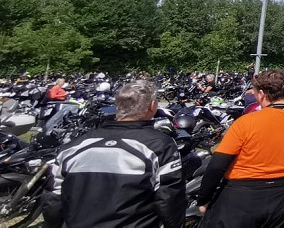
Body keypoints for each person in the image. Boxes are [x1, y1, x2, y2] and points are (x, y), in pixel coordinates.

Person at [42, 80, 185, 228]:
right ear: (152, 106)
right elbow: (169, 198)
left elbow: (53, 199)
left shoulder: (73, 146)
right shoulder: (160, 144)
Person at [197, 70, 284, 227]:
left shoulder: (245, 123)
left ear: (261, 94)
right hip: (282, 197)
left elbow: (217, 164)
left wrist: (204, 199)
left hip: (240, 198)